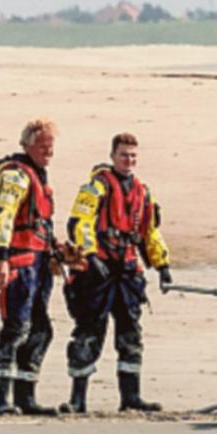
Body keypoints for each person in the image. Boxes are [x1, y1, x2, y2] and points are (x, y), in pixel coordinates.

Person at [61, 132, 172, 413]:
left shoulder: (144, 192)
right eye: (124, 155)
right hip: (98, 272)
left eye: (133, 155)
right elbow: (79, 222)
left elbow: (150, 232)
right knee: (88, 332)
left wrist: (162, 265)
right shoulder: (96, 187)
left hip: (128, 272)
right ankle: (78, 399)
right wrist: (89, 254)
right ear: (112, 156)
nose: (129, 160)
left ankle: (131, 397)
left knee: (130, 335)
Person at [0, 118, 61, 416]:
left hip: (39, 263)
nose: (47, 152)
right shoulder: (17, 177)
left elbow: (41, 221)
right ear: (27, 145)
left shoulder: (39, 176)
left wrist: (56, 251)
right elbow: (2, 218)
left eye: (51, 147)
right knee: (16, 328)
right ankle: (1, 400)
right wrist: (1, 257)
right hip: (19, 261)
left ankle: (26, 397)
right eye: (42, 146)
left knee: (41, 330)